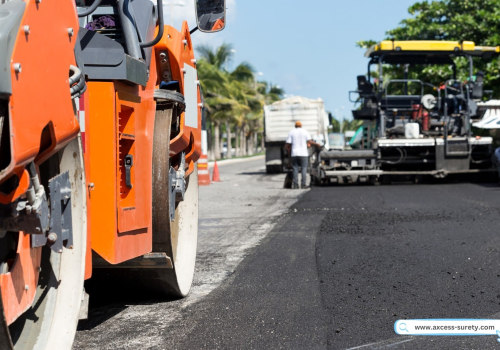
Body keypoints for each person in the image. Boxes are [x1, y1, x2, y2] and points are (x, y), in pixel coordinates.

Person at [285, 121, 322, 189]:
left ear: (295, 126)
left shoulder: (291, 132)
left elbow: (287, 145)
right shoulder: (305, 132)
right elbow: (309, 141)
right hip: (303, 154)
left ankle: (295, 185)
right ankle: (303, 185)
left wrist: (288, 153)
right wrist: (317, 144)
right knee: (304, 169)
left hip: (294, 154)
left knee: (295, 169)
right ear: (301, 126)